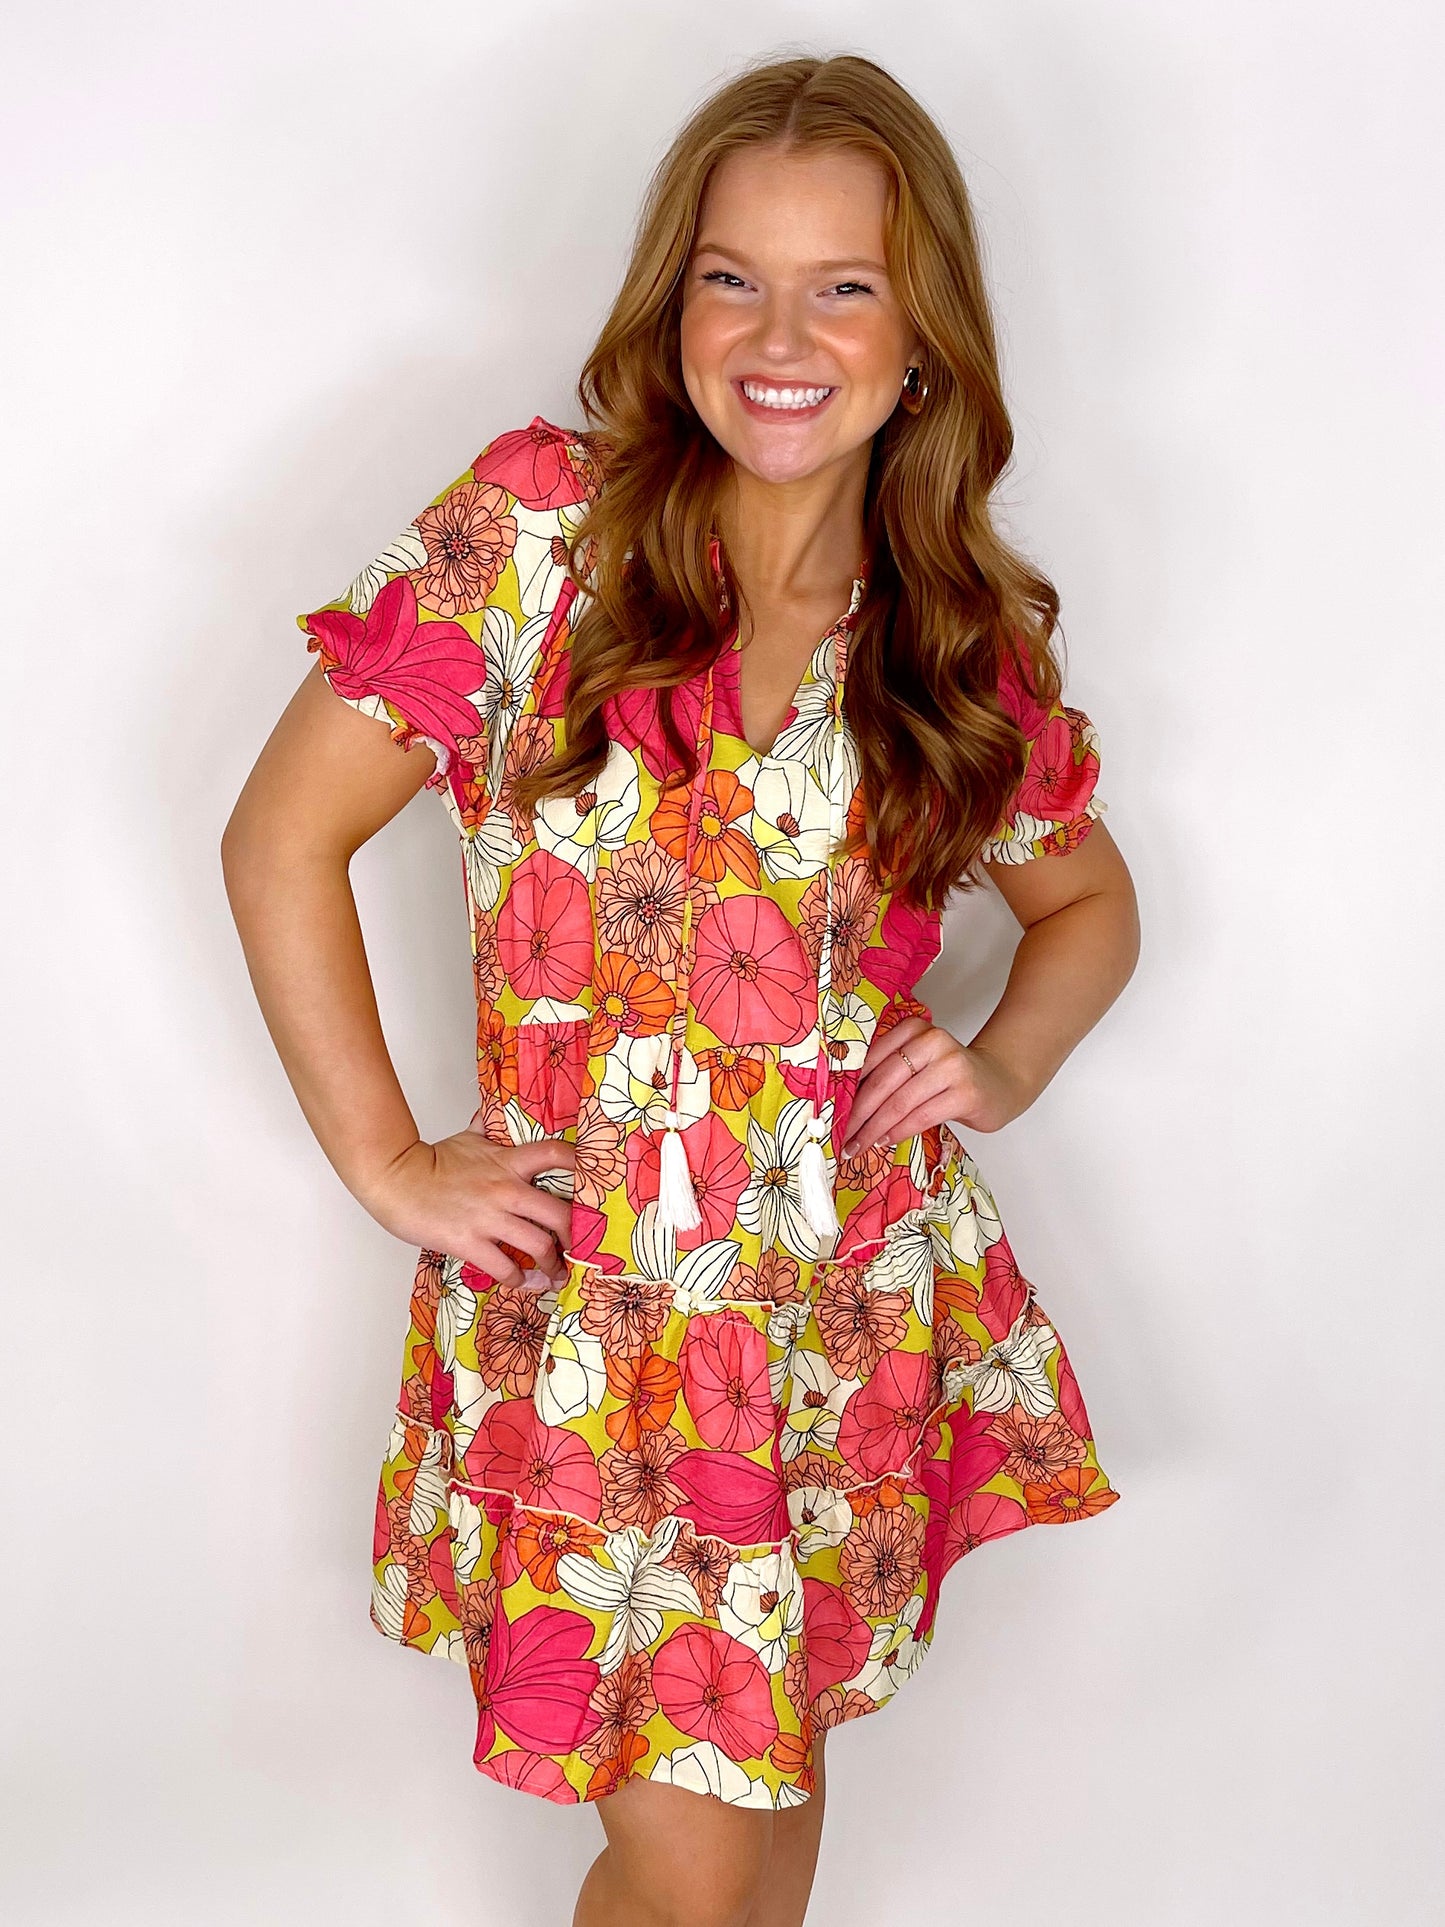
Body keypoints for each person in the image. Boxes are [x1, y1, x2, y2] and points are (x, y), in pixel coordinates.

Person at [222, 50, 1139, 1927]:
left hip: (833, 1325)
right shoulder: (535, 534)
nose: (780, 337)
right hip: (596, 1329)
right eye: (733, 278)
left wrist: (1002, 1064)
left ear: (923, 339)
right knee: (699, 1874)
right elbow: (279, 839)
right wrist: (386, 1162)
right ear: (674, 301)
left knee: (757, 1845)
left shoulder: (944, 635)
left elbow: (1088, 905)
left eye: (843, 285)